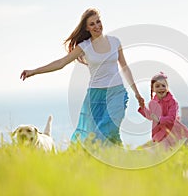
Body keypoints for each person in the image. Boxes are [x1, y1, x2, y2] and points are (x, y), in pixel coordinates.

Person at [20, 8, 144, 145]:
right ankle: (112, 159)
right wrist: (34, 71)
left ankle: (113, 158)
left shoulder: (115, 42)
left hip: (117, 92)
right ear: (86, 28)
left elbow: (125, 68)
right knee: (95, 135)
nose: (97, 26)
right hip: (95, 95)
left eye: (98, 21)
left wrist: (137, 93)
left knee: (109, 127)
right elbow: (61, 63)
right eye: (92, 24)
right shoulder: (84, 46)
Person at [138, 72, 188, 148]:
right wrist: (143, 107)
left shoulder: (172, 102)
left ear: (167, 87)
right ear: (153, 89)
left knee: (169, 150)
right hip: (159, 131)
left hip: (171, 131)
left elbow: (171, 118)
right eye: (157, 86)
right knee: (162, 151)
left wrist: (159, 119)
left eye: (163, 85)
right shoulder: (152, 103)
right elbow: (151, 116)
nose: (161, 88)